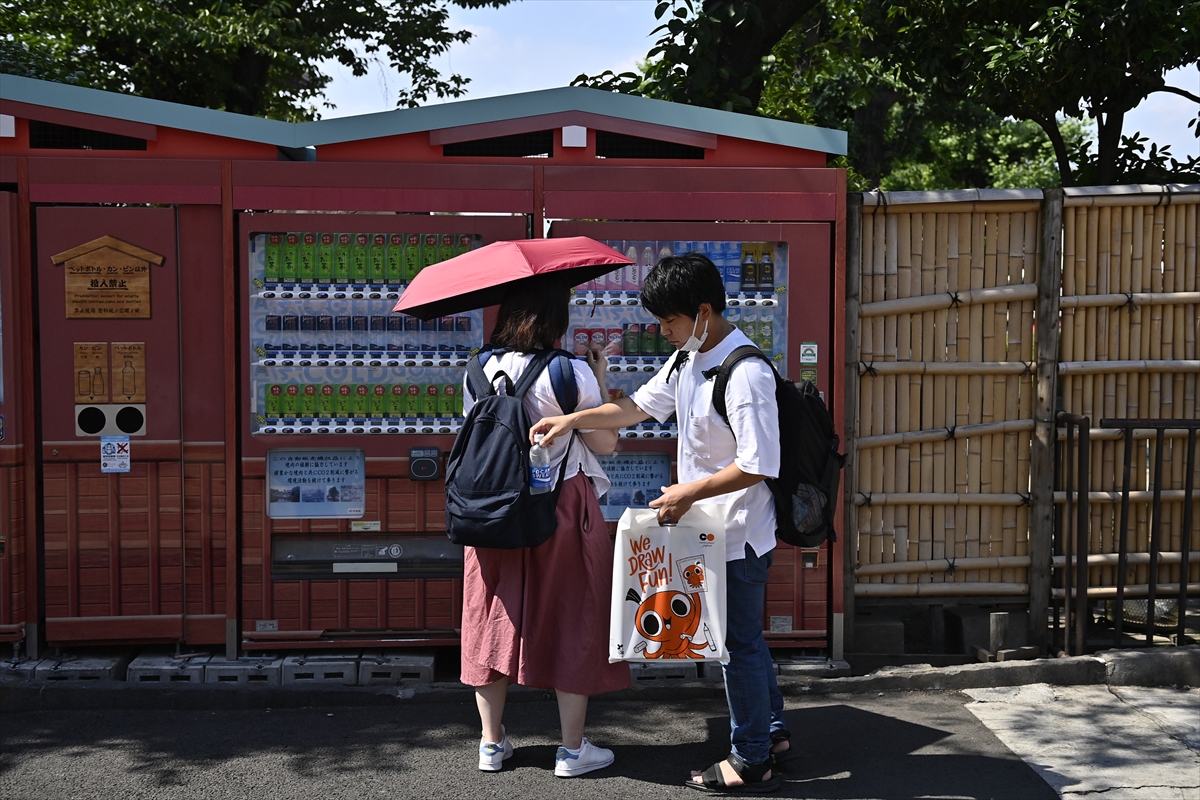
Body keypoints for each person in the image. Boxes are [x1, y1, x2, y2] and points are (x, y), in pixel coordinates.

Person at [532, 253, 794, 794]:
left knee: (736, 646)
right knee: (745, 639)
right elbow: (632, 410)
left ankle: (750, 759)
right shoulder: (687, 359)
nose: (663, 330)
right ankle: (770, 732)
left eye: (669, 321)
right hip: (710, 531)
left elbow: (759, 462)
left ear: (702, 312)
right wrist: (572, 420)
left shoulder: (744, 372)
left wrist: (688, 491)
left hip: (741, 534)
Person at [459, 276, 631, 778]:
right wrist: (598, 381)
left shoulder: (475, 367)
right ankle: (573, 751)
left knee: (491, 613)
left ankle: (492, 744)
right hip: (561, 506)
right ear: (553, 316)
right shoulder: (571, 371)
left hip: (491, 509)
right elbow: (603, 446)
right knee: (574, 614)